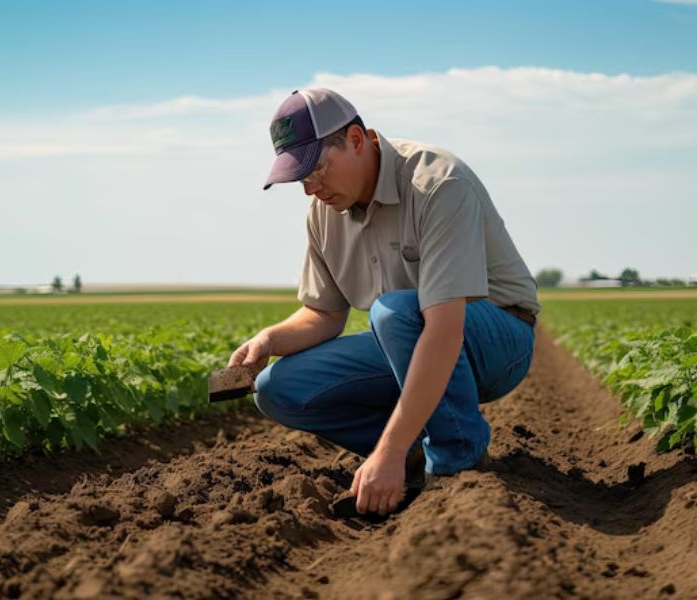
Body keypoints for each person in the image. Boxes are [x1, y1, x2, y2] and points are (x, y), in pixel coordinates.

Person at [228, 88, 539, 517]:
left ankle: (456, 463)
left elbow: (444, 329)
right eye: (300, 178)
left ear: (357, 139)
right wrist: (269, 339)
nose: (309, 189)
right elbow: (324, 314)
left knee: (392, 312)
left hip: (497, 336)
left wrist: (384, 451)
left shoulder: (437, 183)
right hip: (407, 339)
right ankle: (413, 456)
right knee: (277, 389)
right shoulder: (322, 213)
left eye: (317, 168)